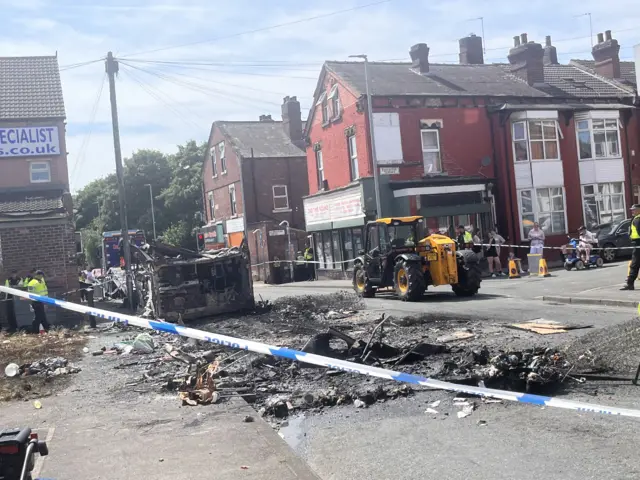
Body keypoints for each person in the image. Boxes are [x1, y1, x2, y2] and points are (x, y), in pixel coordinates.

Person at [622, 204, 640, 290]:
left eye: (634, 209)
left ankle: (630, 284)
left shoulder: (637, 219)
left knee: (635, 263)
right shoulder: (636, 218)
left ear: (638, 210)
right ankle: (630, 283)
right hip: (636, 243)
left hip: (638, 243)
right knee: (635, 263)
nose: (632, 211)